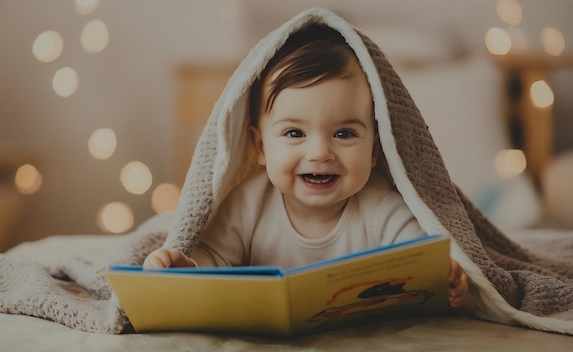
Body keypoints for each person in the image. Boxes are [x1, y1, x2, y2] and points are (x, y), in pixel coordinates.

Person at [143, 24, 468, 308]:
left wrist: (447, 276)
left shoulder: (382, 208)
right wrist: (184, 268)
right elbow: (213, 259)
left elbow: (423, 259)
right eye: (295, 133)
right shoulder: (246, 204)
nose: (320, 152)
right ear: (260, 148)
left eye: (344, 133)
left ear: (375, 150)